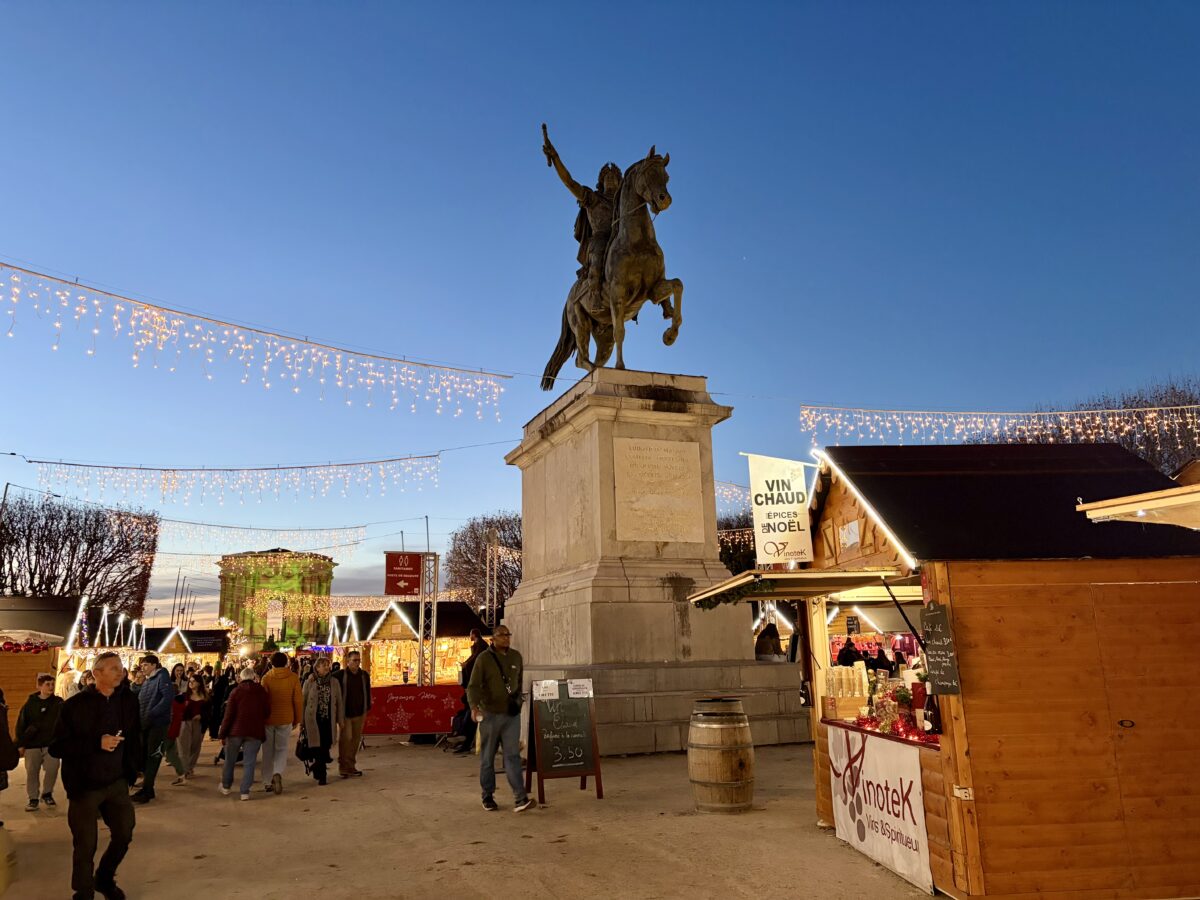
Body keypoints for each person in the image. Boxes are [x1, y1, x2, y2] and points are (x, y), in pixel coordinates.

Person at [50, 651, 141, 900]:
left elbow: (135, 734)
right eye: (113, 668)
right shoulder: (74, 706)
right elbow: (57, 747)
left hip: (117, 782)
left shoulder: (129, 700)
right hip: (85, 786)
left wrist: (134, 768)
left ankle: (104, 878)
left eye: (121, 667)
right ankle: (83, 892)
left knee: (124, 834)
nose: (120, 672)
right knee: (85, 845)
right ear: (96, 673)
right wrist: (96, 743)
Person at [542, 125, 623, 308]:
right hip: (600, 239)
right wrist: (555, 157)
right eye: (606, 177)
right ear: (600, 183)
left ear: (620, 182)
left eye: (614, 177)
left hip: (620, 238)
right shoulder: (592, 198)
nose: (610, 179)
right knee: (599, 252)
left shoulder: (622, 203)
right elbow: (570, 182)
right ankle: (594, 293)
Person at [467, 625, 535, 813]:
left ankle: (520, 798)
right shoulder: (484, 659)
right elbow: (473, 686)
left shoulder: (516, 657)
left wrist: (519, 702)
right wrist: (474, 706)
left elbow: (519, 681)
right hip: (489, 714)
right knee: (488, 757)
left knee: (512, 756)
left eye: (508, 635)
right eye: (502, 635)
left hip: (510, 715)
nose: (506, 638)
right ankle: (487, 795)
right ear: (493, 639)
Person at [218, 668, 270, 801]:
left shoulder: (235, 692)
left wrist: (222, 733)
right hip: (254, 731)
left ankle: (226, 786)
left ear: (240, 678)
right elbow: (267, 711)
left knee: (230, 760)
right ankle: (245, 792)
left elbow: (228, 715)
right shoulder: (261, 691)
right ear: (254, 677)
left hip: (235, 731)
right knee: (250, 762)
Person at [16, 673, 65, 811]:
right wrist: (21, 743)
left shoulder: (58, 703)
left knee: (52, 769)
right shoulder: (30, 704)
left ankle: (47, 793)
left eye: (52, 684)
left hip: (51, 744)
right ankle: (33, 798)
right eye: (47, 684)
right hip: (33, 745)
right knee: (32, 772)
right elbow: (21, 723)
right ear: (39, 686)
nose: (50, 687)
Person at [129, 654, 173, 804]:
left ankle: (147, 791)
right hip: (146, 724)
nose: (143, 668)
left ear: (154, 665)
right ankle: (148, 788)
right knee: (146, 756)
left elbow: (167, 698)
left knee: (153, 756)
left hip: (157, 724)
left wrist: (152, 713)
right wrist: (135, 685)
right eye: (142, 665)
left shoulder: (162, 677)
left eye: (146, 665)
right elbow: (141, 697)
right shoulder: (149, 680)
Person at [259, 651, 302, 795]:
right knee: (281, 749)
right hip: (286, 718)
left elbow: (263, 700)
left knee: (267, 751)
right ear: (286, 663)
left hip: (268, 719)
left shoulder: (266, 678)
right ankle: (277, 772)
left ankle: (266, 781)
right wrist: (297, 719)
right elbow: (297, 700)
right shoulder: (293, 678)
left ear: (271, 663)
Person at [300, 657, 343, 786]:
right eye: (323, 665)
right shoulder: (310, 681)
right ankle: (322, 775)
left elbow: (339, 702)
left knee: (325, 746)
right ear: (317, 668)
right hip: (313, 719)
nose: (326, 667)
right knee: (317, 747)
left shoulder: (334, 682)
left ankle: (317, 767)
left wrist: (340, 720)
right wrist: (301, 721)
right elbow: (304, 701)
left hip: (328, 719)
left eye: (327, 665)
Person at [332, 649, 371, 778]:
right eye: (354, 660)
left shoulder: (364, 675)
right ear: (347, 661)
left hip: (359, 712)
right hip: (345, 714)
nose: (357, 663)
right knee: (346, 739)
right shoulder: (340, 675)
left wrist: (366, 708)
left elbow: (367, 692)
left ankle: (351, 765)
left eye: (359, 660)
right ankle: (343, 766)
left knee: (355, 740)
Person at [453, 630, 489, 755]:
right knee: (467, 714)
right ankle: (464, 739)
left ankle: (465, 739)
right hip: (476, 691)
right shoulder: (479, 648)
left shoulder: (482, 649)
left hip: (482, 693)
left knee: (470, 715)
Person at [177, 674, 210, 778]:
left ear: (199, 683)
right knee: (183, 747)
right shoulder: (183, 696)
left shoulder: (206, 697)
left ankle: (190, 767)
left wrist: (201, 716)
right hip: (185, 723)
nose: (191, 683)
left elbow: (210, 712)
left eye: (193, 681)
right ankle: (184, 770)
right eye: (190, 681)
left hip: (198, 724)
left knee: (195, 747)